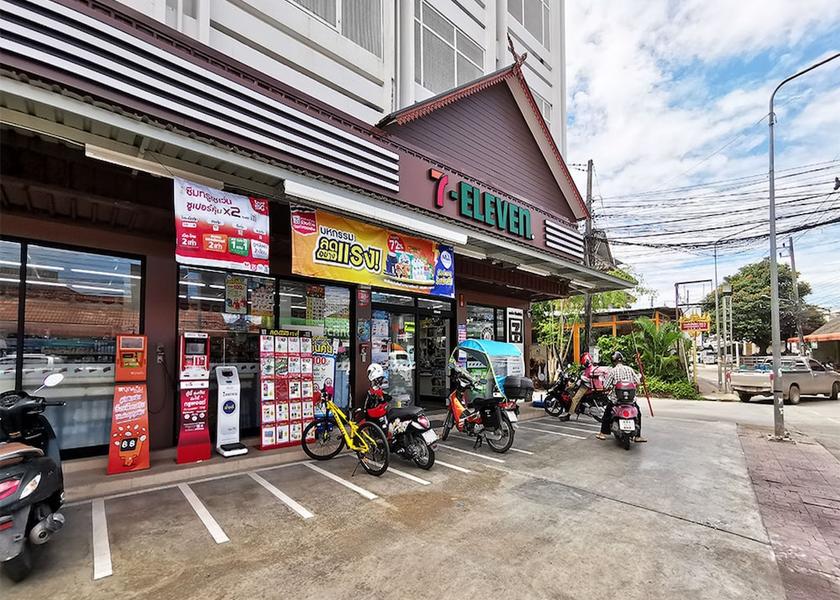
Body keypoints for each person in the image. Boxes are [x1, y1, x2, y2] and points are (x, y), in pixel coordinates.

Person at [596, 351, 647, 443]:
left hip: (616, 400)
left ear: (613, 361)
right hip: (630, 400)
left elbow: (606, 386)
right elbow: (638, 382)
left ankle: (602, 433)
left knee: (607, 413)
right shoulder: (629, 369)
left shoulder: (612, 371)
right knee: (638, 414)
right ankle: (638, 436)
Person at [561, 352, 596, 421]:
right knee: (570, 388)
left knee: (575, 399)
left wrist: (581, 377)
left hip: (585, 386)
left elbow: (588, 380)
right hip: (584, 384)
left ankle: (568, 415)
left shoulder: (590, 369)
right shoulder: (588, 368)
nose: (584, 364)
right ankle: (576, 407)